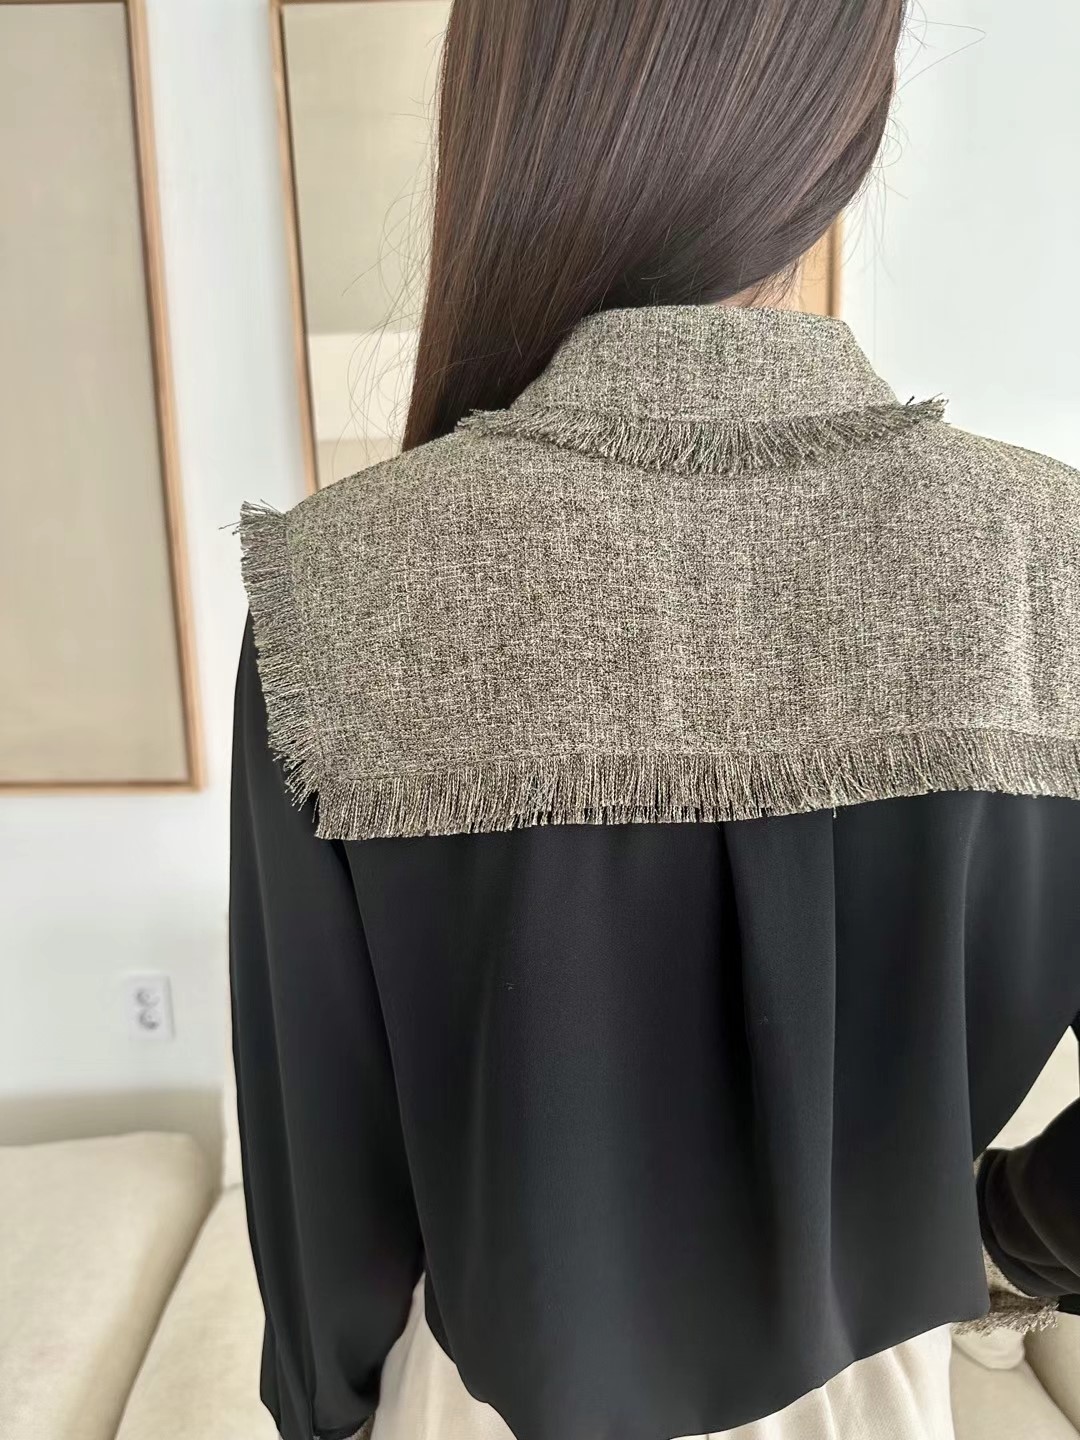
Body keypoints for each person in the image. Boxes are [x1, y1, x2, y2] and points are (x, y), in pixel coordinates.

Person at [229, 2, 1080, 1438]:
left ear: (498, 125)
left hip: (486, 1404)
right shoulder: (1050, 560)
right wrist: (994, 1228)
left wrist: (327, 1413)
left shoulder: (338, 584)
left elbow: (322, 1176)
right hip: (869, 1392)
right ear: (845, 134)